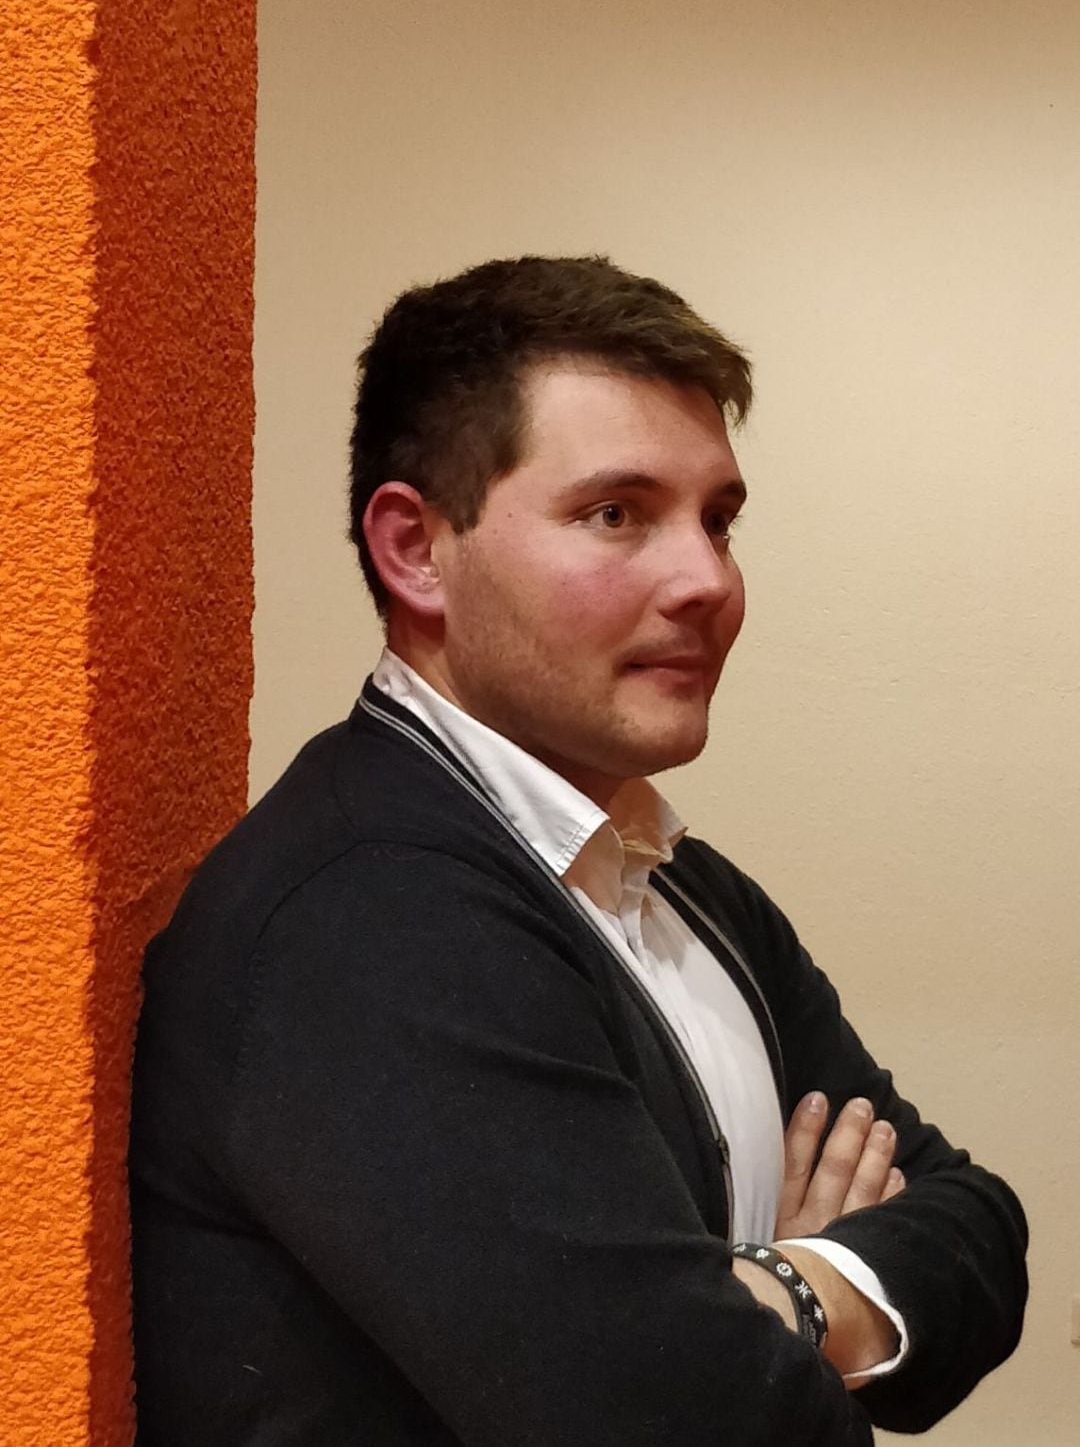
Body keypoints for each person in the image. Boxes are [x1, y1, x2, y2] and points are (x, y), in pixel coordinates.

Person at [130, 255, 1027, 1445]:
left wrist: (776, 1293)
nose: (707, 579)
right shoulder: (366, 916)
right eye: (617, 514)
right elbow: (692, 1416)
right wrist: (800, 1304)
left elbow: (980, 1230)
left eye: (719, 519)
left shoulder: (674, 879)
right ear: (414, 549)